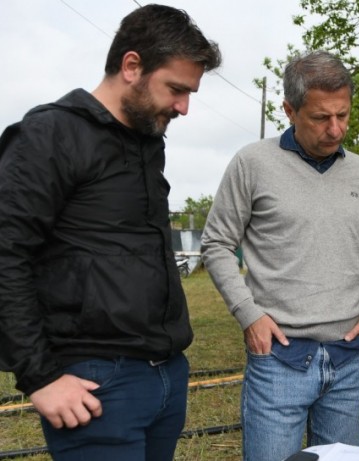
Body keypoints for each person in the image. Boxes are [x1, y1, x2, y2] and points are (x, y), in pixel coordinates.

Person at [0, 5, 221, 460]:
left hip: (164, 375)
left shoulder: (147, 139)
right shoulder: (50, 134)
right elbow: (6, 254)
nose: (184, 107)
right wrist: (38, 377)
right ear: (132, 66)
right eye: (176, 89)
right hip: (95, 382)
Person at [200, 50, 359, 461]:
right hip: (279, 357)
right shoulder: (252, 163)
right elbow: (216, 243)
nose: (335, 129)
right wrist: (249, 315)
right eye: (321, 117)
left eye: (343, 115)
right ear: (289, 109)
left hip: (351, 358)